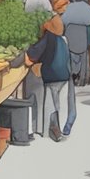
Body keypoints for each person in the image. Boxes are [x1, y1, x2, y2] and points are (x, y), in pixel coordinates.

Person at [24, 14, 71, 143]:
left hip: (52, 75)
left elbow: (32, 55)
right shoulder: (62, 40)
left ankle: (49, 129)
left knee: (50, 103)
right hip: (63, 75)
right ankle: (54, 128)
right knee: (57, 103)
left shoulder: (48, 38)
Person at [62, 0, 90, 98]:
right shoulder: (87, 8)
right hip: (83, 34)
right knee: (83, 55)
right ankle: (82, 78)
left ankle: (71, 74)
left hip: (70, 34)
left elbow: (64, 20)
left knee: (70, 55)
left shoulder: (70, 7)